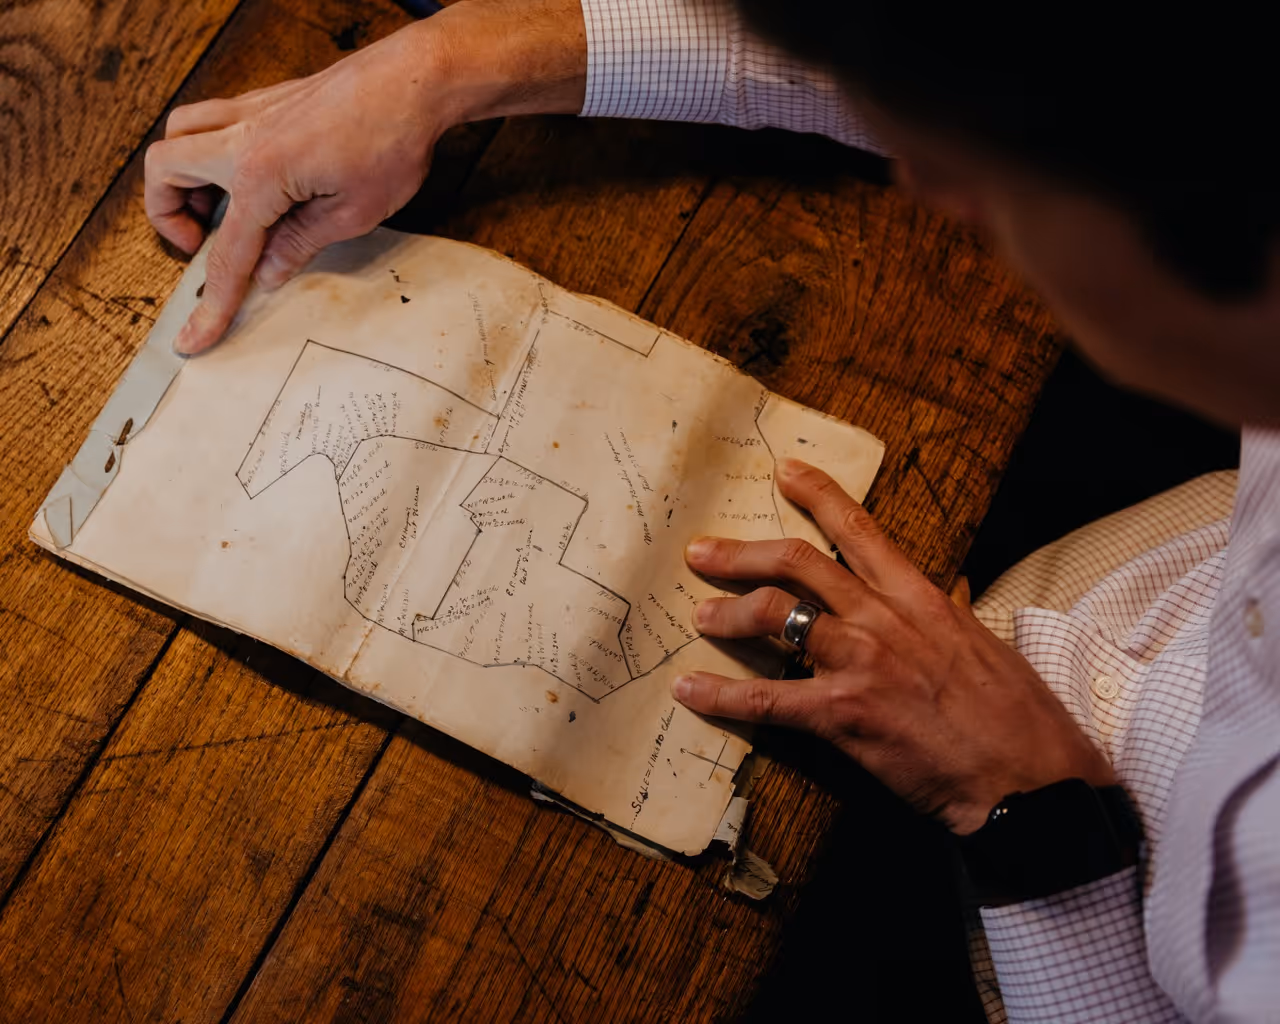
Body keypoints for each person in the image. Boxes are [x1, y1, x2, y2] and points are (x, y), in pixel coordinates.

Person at [143, 2, 1280, 1020]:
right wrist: (451, 62)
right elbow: (1032, 67)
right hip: (1150, 589)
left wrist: (1029, 821)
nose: (937, 184)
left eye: (998, 179)